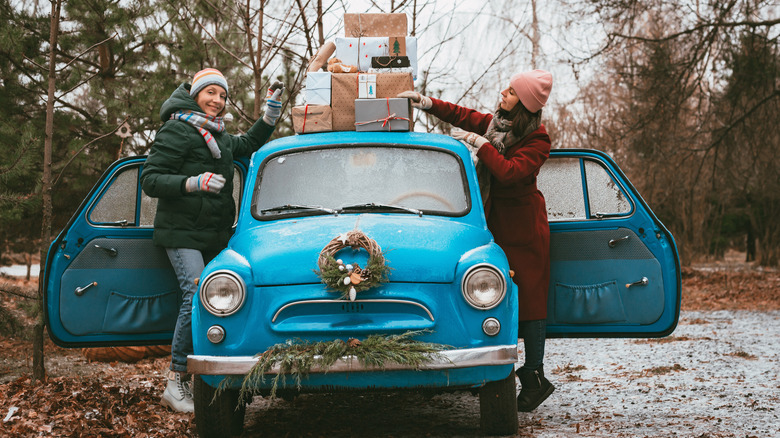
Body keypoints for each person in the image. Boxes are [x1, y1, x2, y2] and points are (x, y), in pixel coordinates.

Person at [398, 70, 555, 412]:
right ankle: (495, 366)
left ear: (525, 104)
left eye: (512, 92)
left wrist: (480, 144)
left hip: (525, 229)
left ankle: (535, 374)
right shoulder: (497, 124)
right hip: (493, 222)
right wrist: (425, 102)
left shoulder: (538, 140)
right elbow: (462, 115)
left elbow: (510, 171)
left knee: (529, 301)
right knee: (488, 294)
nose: (504, 94)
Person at [141, 68, 284, 412]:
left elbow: (248, 145)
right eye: (211, 94)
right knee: (195, 295)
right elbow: (150, 179)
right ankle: (176, 382)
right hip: (181, 232)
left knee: (222, 298)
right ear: (195, 94)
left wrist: (271, 111)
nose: (218, 102)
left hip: (213, 233)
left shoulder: (217, 135)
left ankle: (220, 374)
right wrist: (193, 182)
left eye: (222, 96)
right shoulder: (177, 129)